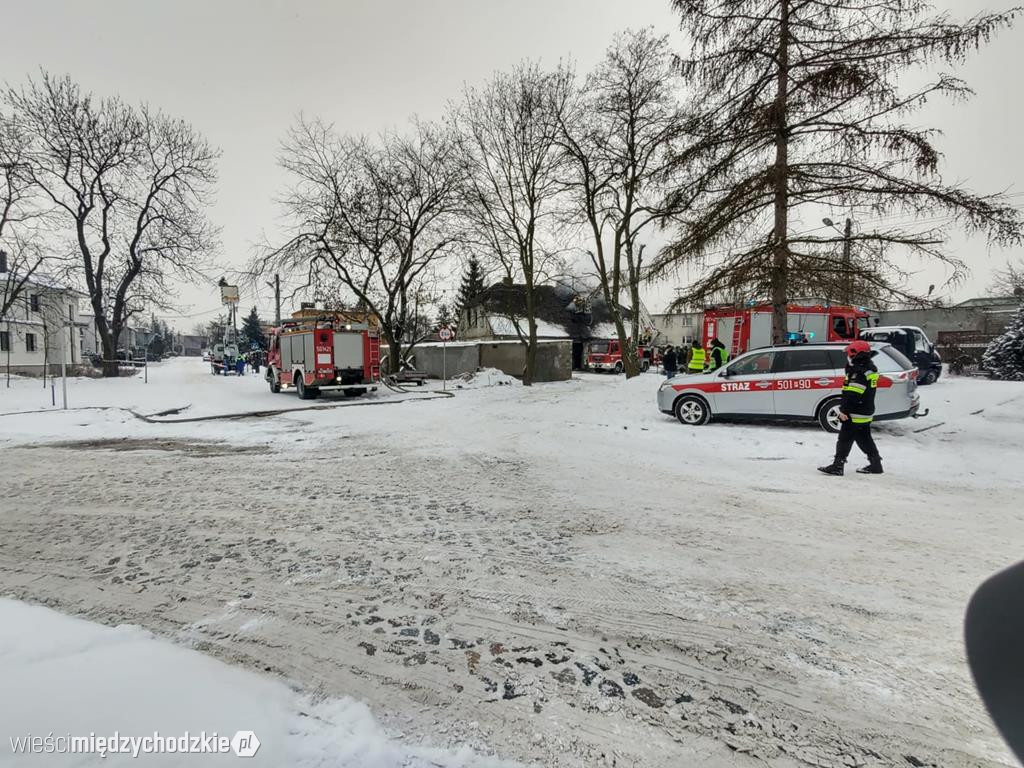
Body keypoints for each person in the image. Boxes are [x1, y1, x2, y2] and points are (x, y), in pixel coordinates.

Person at [818, 340, 883, 476]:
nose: (847, 356)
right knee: (864, 438)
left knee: (844, 439)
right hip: (866, 410)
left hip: (855, 412)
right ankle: (876, 464)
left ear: (855, 354)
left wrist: (844, 411)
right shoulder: (869, 369)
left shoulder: (858, 373)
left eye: (848, 353)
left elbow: (853, 395)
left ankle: (838, 465)